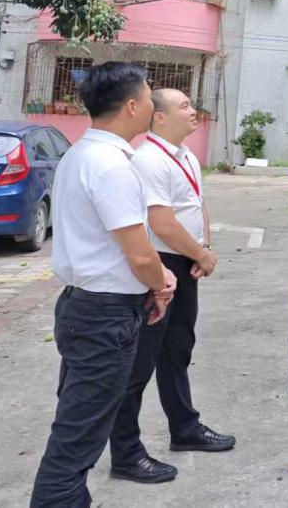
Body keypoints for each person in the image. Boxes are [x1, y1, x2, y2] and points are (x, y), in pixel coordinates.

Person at [31, 63, 178, 507]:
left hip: (83, 306)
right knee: (78, 434)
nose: (153, 104)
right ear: (132, 106)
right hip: (104, 317)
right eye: (149, 96)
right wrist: (160, 281)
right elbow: (139, 254)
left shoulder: (81, 154)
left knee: (79, 419)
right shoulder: (112, 166)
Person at [108, 88, 235, 484]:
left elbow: (196, 205)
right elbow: (161, 223)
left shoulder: (186, 156)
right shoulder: (149, 159)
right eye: (184, 106)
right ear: (159, 117)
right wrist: (199, 254)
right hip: (159, 268)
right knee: (140, 362)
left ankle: (185, 428)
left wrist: (202, 249)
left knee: (177, 350)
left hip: (186, 260)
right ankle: (126, 453)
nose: (193, 111)